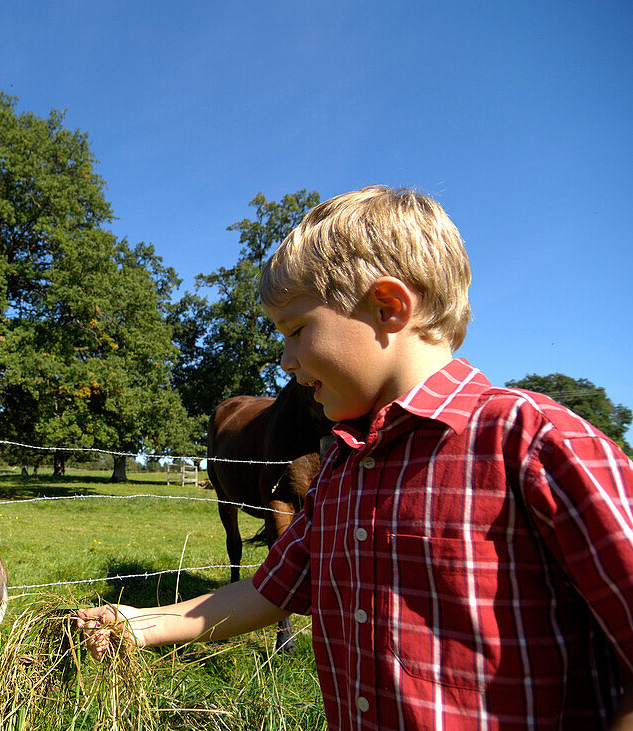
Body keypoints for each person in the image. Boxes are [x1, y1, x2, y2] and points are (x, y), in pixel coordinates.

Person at [75, 186, 633, 729]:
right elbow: (270, 591)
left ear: (388, 307)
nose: (286, 358)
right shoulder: (341, 467)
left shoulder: (536, 443)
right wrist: (136, 622)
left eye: (296, 330)